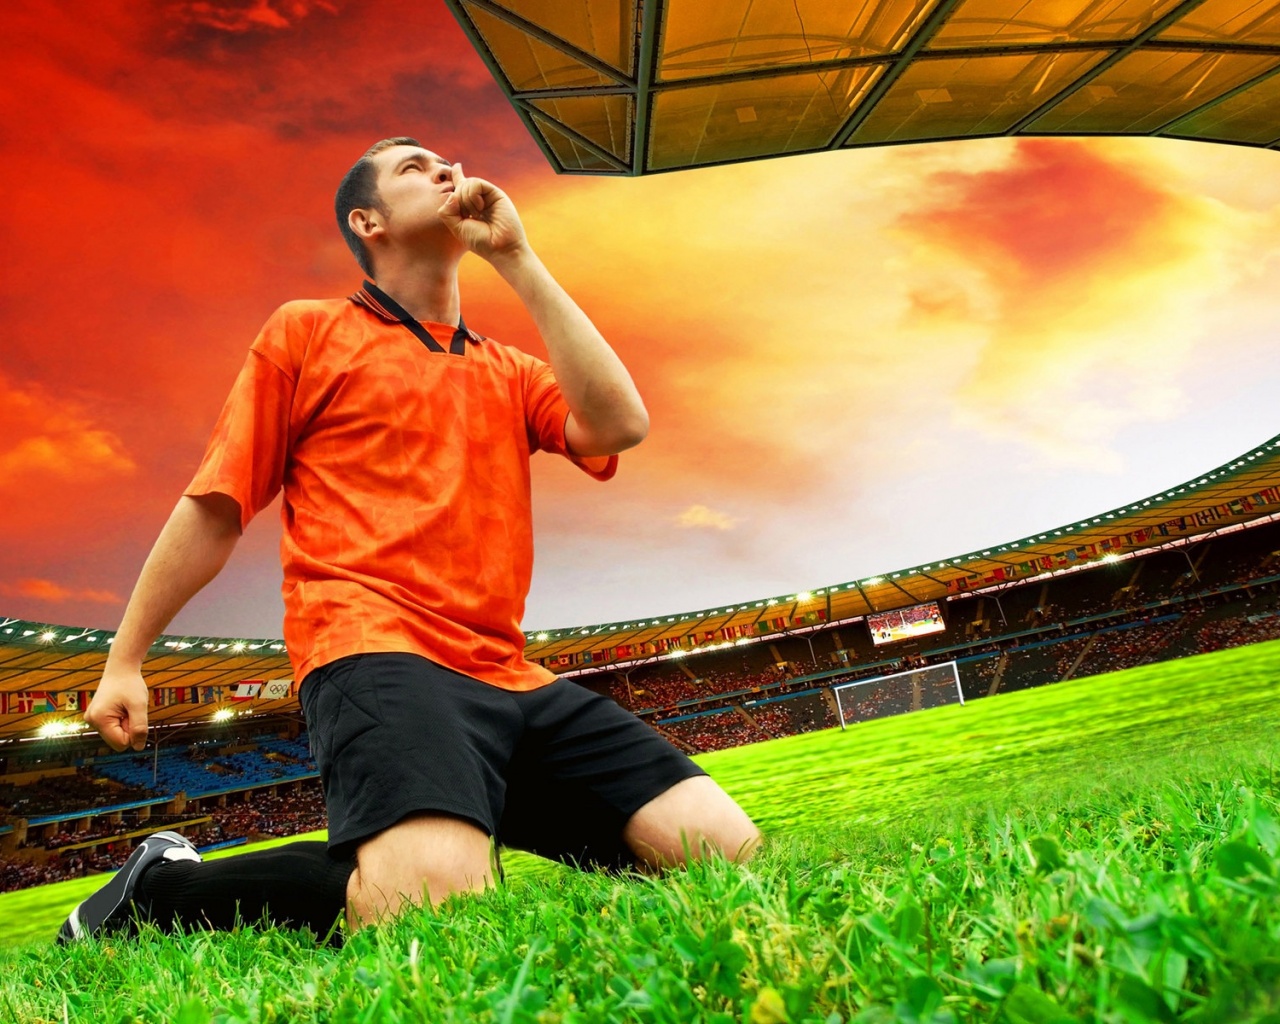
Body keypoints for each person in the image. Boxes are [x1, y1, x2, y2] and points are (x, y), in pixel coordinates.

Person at [58, 137, 762, 947]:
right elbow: (216, 507)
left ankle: (463, 824)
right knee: (439, 914)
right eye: (413, 167)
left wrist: (518, 258)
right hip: (375, 650)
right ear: (369, 221)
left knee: (727, 856)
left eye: (445, 163)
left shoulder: (510, 370)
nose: (445, 170)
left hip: (506, 670)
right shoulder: (307, 332)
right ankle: (163, 889)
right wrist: (126, 658)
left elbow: (619, 425)